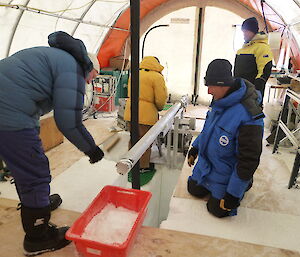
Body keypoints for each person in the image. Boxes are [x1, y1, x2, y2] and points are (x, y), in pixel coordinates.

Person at [0, 31, 104, 255]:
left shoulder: (56, 58)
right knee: (35, 171)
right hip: (7, 115)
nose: (90, 81)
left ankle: (38, 203)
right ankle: (38, 237)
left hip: (9, 108)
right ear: (89, 66)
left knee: (25, 165)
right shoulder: (73, 70)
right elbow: (68, 122)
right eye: (93, 76)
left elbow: (31, 96)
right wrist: (92, 149)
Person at [187, 59, 264, 218]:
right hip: (208, 166)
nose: (208, 91)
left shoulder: (249, 115)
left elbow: (248, 160)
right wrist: (196, 147)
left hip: (228, 173)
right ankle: (212, 183)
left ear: (224, 84)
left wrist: (233, 195)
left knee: (217, 210)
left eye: (211, 86)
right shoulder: (219, 100)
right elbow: (208, 130)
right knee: (193, 189)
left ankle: (244, 185)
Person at [124, 56, 167, 185]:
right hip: (146, 114)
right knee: (145, 142)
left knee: (133, 138)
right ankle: (142, 167)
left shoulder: (135, 73)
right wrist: (159, 108)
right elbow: (160, 99)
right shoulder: (157, 77)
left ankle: (130, 163)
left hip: (131, 111)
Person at [234, 17, 273, 101]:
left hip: (251, 94)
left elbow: (264, 71)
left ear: (253, 31)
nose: (244, 34)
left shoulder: (262, 48)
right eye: (243, 31)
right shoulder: (242, 49)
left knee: (250, 113)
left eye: (246, 31)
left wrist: (255, 91)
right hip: (239, 91)